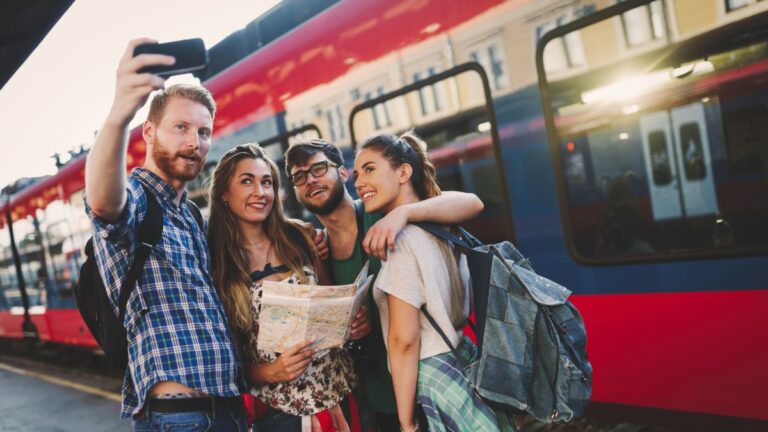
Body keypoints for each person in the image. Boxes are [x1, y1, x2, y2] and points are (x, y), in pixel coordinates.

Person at [84, 39, 248, 430]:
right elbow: (106, 204)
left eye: (204, 132)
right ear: (149, 132)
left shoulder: (190, 215)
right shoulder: (138, 200)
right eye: (181, 128)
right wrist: (118, 115)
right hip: (178, 417)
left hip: (228, 407)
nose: (196, 142)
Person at [284, 139, 484, 431]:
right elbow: (332, 330)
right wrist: (349, 326)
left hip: (424, 389)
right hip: (376, 400)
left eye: (319, 168)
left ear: (341, 174)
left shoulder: (383, 212)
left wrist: (404, 214)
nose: (310, 180)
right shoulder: (316, 250)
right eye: (299, 177)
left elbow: (472, 203)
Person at [353, 132, 511, 432]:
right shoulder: (443, 226)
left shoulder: (402, 242)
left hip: (431, 375)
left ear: (403, 172)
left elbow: (404, 341)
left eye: (370, 169)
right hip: (460, 356)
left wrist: (406, 421)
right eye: (357, 173)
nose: (359, 182)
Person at [208, 143, 366, 431]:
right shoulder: (217, 268)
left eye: (266, 182)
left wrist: (352, 323)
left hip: (344, 393)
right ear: (223, 195)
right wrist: (271, 371)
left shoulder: (301, 236)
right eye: (247, 181)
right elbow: (225, 364)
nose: (260, 192)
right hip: (283, 415)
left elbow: (331, 304)